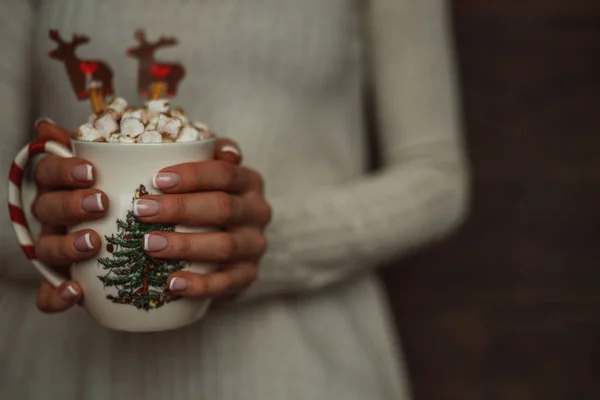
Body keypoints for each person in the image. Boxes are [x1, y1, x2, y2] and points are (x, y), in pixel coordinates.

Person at [0, 0, 468, 399]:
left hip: (297, 369)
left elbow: (436, 176)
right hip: (66, 369)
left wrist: (270, 241)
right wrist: (58, 230)